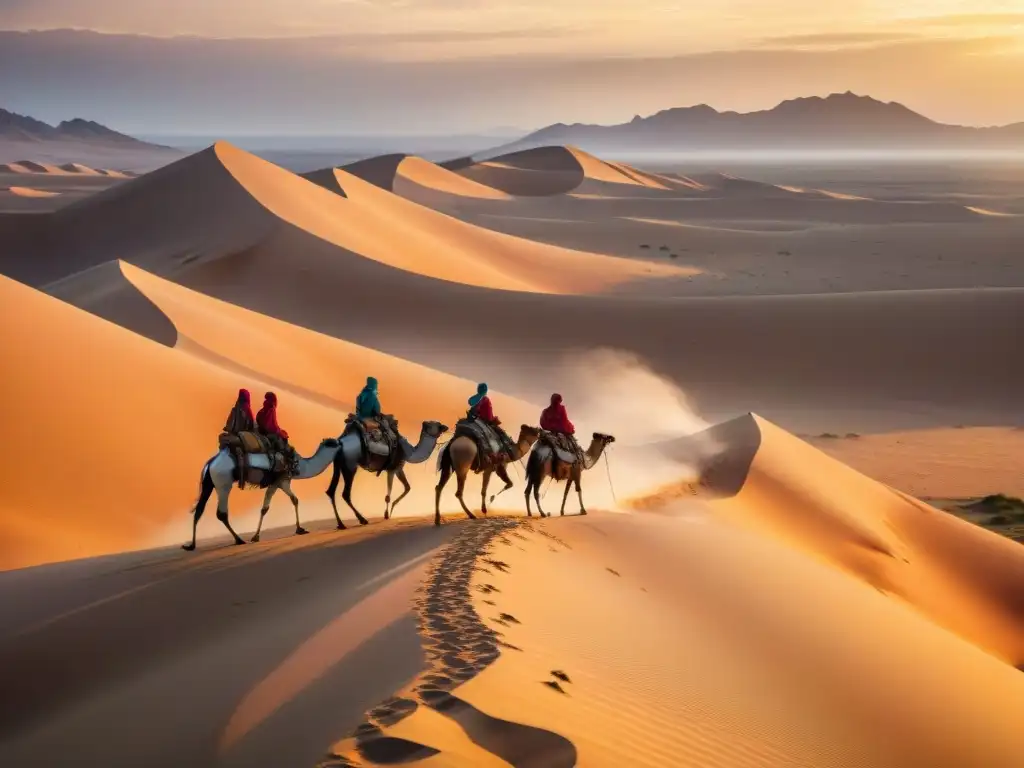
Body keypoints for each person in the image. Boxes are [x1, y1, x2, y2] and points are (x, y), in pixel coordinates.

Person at [468, 383, 513, 458]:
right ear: (485, 391)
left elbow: (474, 408)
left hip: (474, 419)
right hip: (483, 421)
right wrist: (493, 419)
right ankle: (499, 453)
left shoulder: (474, 398)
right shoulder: (485, 399)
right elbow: (488, 416)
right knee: (499, 433)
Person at [256, 391, 297, 472]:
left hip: (262, 431)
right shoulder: (271, 409)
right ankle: (288, 464)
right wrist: (281, 433)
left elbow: (261, 420)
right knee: (284, 440)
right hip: (268, 433)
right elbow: (272, 426)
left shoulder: (264, 409)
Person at [540, 393, 582, 464]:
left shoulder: (546, 411)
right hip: (560, 432)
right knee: (572, 444)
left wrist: (549, 428)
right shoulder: (561, 409)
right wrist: (570, 429)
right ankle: (575, 460)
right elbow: (564, 421)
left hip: (549, 431)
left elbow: (542, 422)